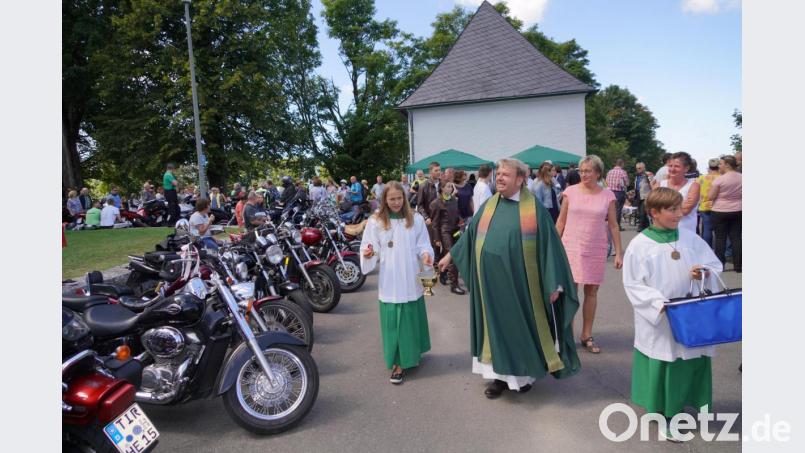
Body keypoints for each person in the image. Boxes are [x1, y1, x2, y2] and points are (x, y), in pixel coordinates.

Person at [438, 158, 580, 398]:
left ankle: (522, 376)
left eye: (506, 174)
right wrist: (450, 256)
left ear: (520, 179)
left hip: (521, 285)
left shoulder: (533, 209)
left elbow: (550, 248)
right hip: (490, 285)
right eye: (498, 174)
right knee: (495, 329)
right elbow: (470, 235)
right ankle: (498, 378)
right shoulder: (490, 205)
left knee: (519, 328)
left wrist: (554, 282)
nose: (500, 178)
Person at [622, 187, 723, 443]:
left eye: (680, 208)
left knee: (692, 357)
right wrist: (658, 303)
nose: (680, 213)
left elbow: (714, 264)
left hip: (691, 314)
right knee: (668, 360)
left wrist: (704, 273)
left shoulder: (690, 238)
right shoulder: (640, 245)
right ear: (654, 212)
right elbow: (633, 283)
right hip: (663, 317)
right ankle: (667, 414)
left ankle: (690, 403)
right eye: (673, 209)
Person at [360, 181, 434, 385]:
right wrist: (368, 253)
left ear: (404, 198)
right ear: (384, 200)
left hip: (410, 276)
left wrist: (427, 255)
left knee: (410, 316)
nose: (396, 202)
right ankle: (398, 363)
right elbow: (370, 246)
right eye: (391, 199)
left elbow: (423, 244)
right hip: (391, 278)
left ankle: (413, 354)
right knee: (395, 321)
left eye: (399, 198)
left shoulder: (415, 219)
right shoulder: (376, 221)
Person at [556, 155, 624, 354]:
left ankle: (586, 334)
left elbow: (613, 225)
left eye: (588, 171)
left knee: (591, 292)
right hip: (570, 247)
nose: (584, 174)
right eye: (582, 170)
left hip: (595, 247)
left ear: (597, 173)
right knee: (570, 292)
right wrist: (552, 246)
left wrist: (619, 253)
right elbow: (560, 222)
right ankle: (566, 336)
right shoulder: (570, 192)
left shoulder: (608, 195)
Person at [430, 181, 466, 295]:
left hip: (455, 230)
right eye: (448, 186)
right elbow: (434, 223)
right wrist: (437, 239)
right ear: (442, 188)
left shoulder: (454, 200)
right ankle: (454, 285)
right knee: (452, 255)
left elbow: (456, 214)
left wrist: (460, 221)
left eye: (451, 187)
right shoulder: (436, 203)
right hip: (444, 231)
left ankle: (443, 273)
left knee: (447, 255)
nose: (450, 189)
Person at [708, 155, 742, 273]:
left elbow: (711, 196)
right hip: (738, 210)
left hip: (720, 211)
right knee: (736, 237)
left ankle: (720, 265)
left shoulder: (719, 179)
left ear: (727, 165)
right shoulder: (742, 177)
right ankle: (738, 266)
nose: (719, 166)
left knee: (720, 238)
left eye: (721, 164)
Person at [658, 152, 700, 234]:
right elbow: (653, 209)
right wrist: (680, 205)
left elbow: (685, 210)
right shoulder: (660, 185)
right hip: (663, 232)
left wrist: (663, 206)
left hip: (686, 233)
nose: (672, 169)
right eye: (670, 166)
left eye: (677, 166)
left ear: (686, 168)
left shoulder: (693, 186)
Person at [696, 158, 721, 248]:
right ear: (719, 166)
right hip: (718, 207)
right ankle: (721, 250)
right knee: (720, 231)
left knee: (707, 229)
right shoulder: (722, 178)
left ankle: (707, 248)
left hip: (704, 206)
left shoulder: (701, 178)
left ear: (709, 166)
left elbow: (696, 190)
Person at [606, 159, 629, 231]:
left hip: (610, 192)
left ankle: (610, 225)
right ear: (622, 164)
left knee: (610, 209)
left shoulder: (609, 172)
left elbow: (606, 181)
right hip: (619, 192)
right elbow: (627, 183)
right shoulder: (623, 172)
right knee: (618, 209)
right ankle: (617, 226)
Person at [633, 162, 652, 231]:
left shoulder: (648, 174)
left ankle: (640, 227)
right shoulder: (637, 175)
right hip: (638, 195)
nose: (638, 169)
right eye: (637, 168)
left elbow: (653, 183)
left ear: (644, 168)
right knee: (641, 211)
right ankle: (646, 226)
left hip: (646, 195)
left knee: (643, 211)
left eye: (639, 168)